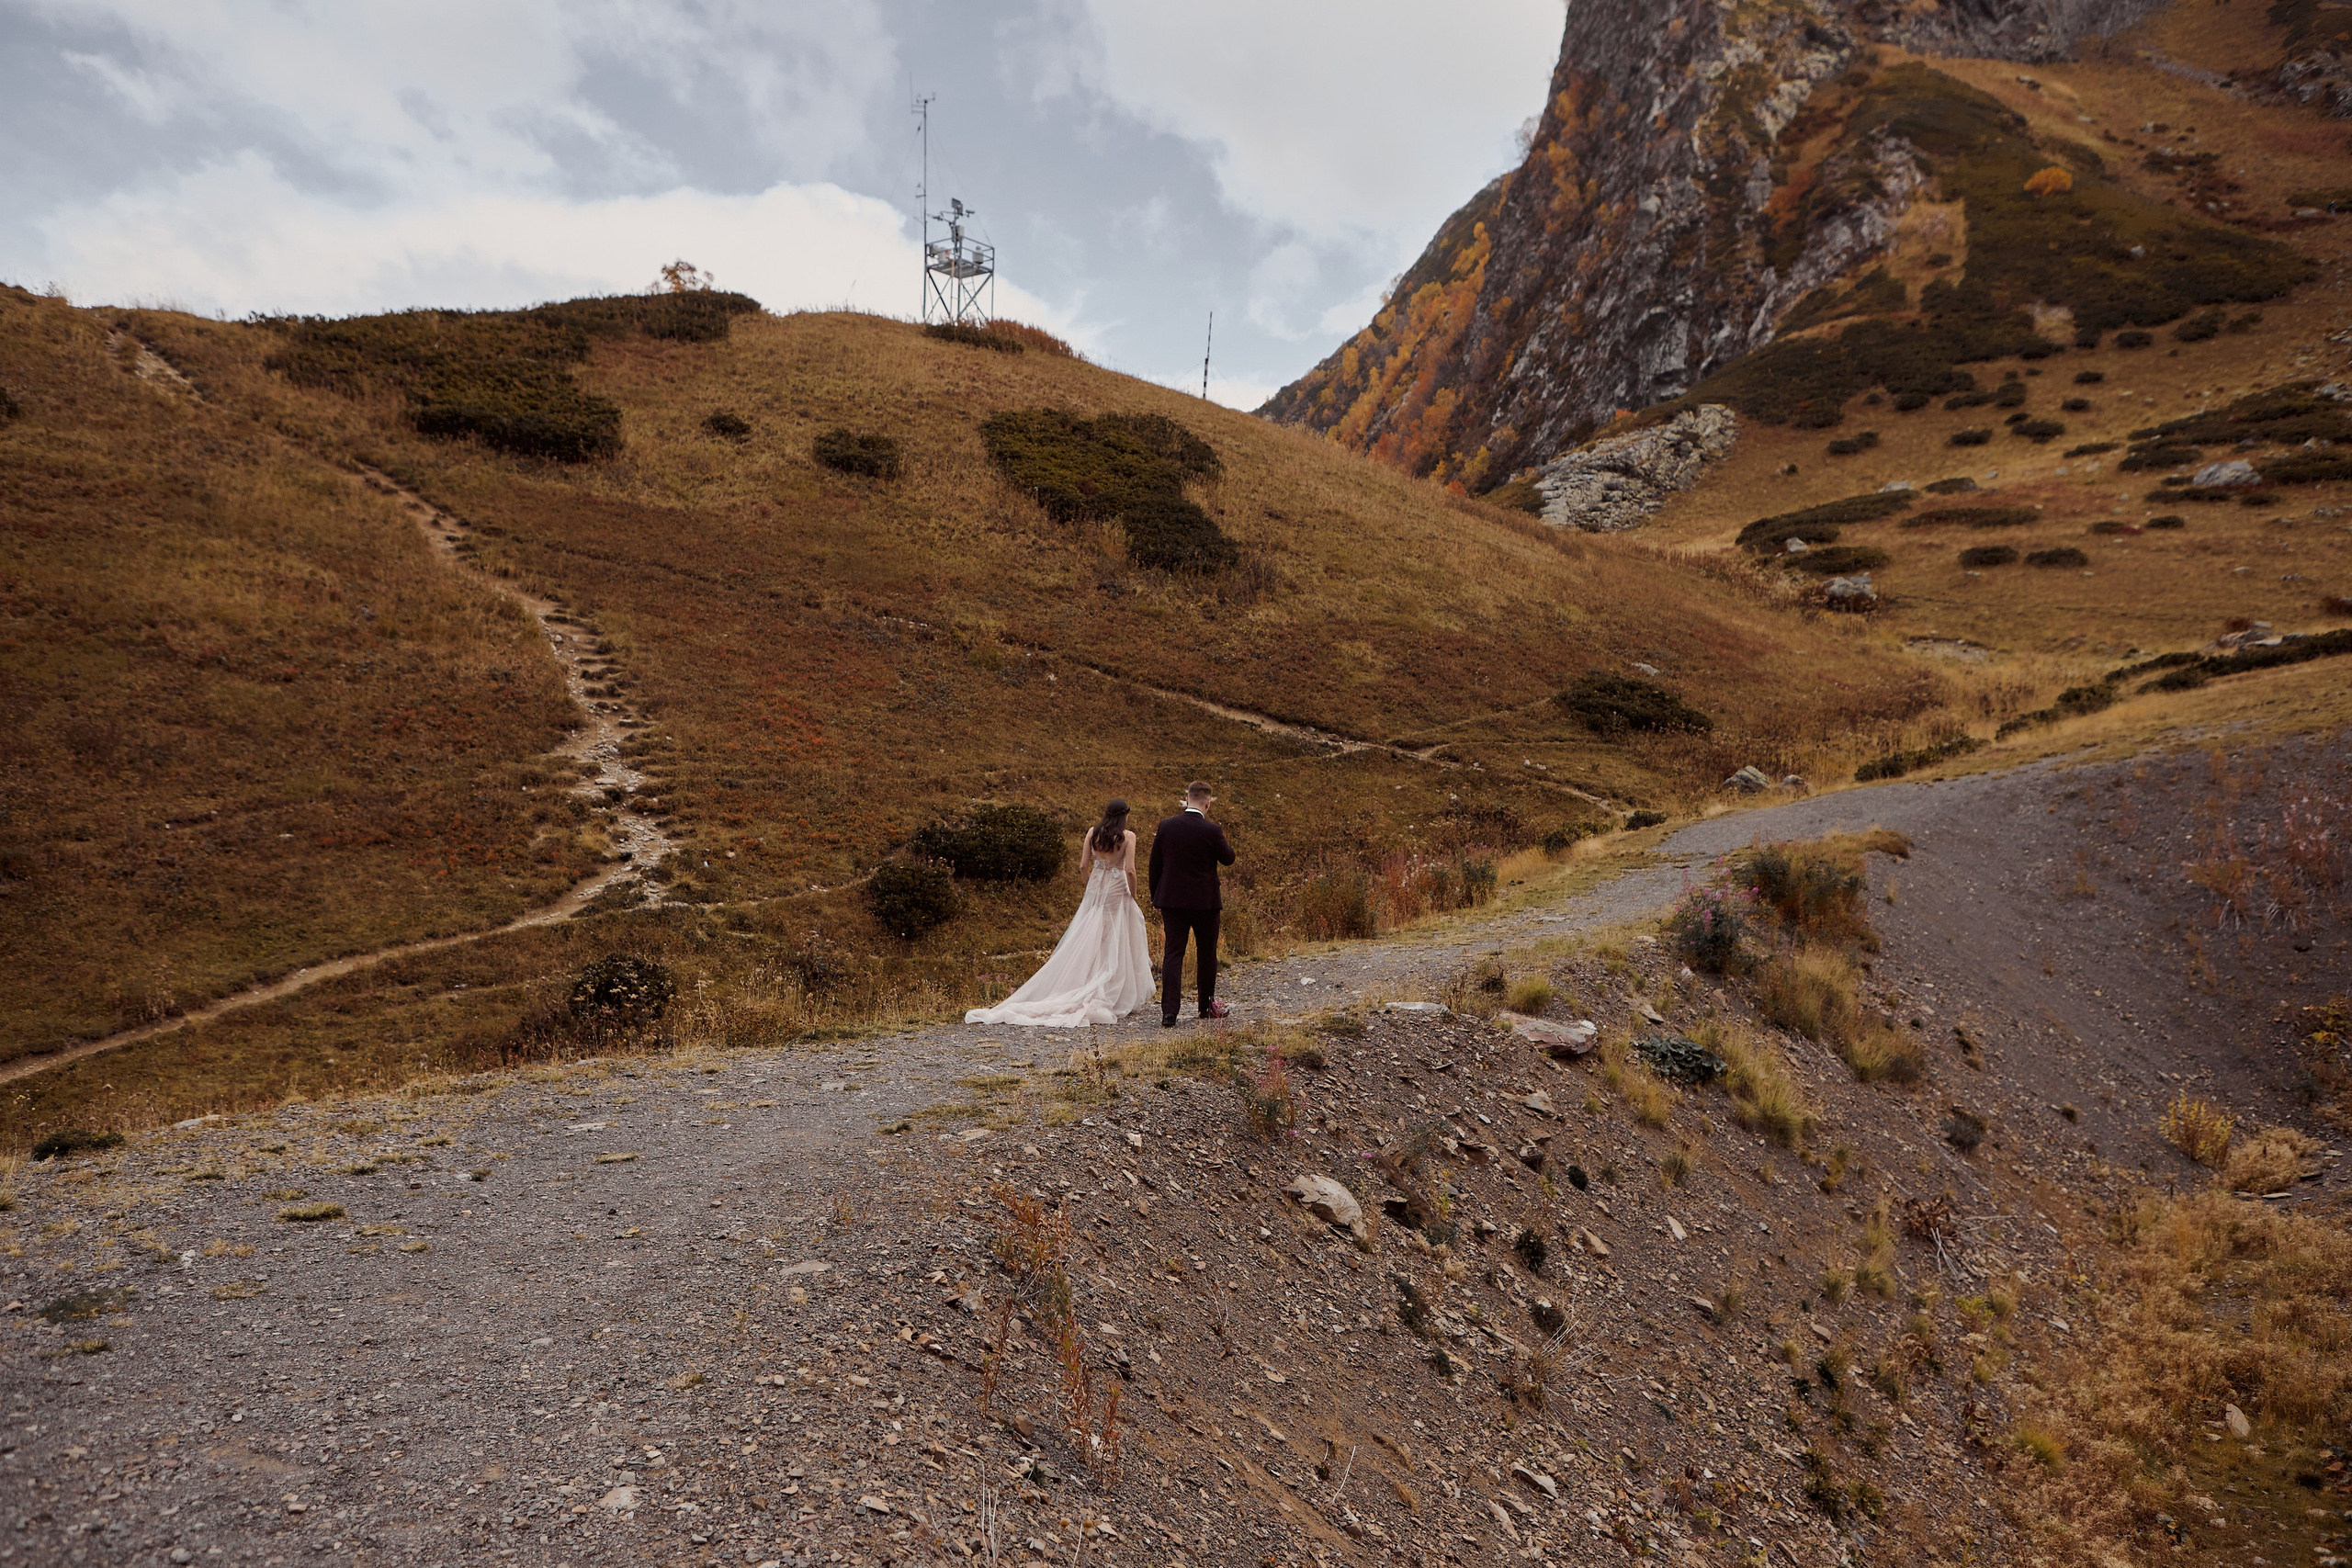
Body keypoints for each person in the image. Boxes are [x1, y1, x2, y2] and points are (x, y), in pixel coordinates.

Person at [963, 800, 1153, 1027]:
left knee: (1090, 935)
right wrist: (1134, 894)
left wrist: (1090, 887)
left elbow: (1083, 866)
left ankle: (1085, 978)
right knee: (1115, 937)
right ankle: (1110, 986)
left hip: (1096, 888)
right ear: (1124, 816)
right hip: (1116, 889)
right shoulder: (1127, 836)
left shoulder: (1093, 833)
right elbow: (1130, 870)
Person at [1148, 781, 1236, 1027]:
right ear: (1208, 803)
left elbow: (1155, 864)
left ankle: (1169, 1012)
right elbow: (1229, 858)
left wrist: (1156, 896)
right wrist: (1219, 836)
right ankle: (1206, 1007)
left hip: (1173, 902)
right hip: (1205, 903)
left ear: (1186, 800)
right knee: (1206, 954)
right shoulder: (1212, 830)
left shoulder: (1166, 826)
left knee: (1173, 953)